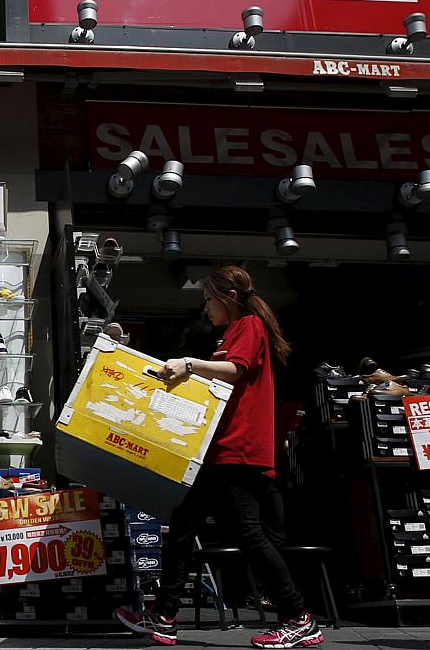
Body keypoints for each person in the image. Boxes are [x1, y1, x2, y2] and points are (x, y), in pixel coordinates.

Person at [114, 266, 322, 649]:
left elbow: (234, 370)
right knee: (182, 528)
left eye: (208, 299)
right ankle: (163, 617)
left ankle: (298, 617)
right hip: (218, 449)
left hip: (238, 450)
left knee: (249, 534)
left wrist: (188, 363)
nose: (205, 308)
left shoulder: (249, 326)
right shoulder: (234, 331)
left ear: (227, 297)